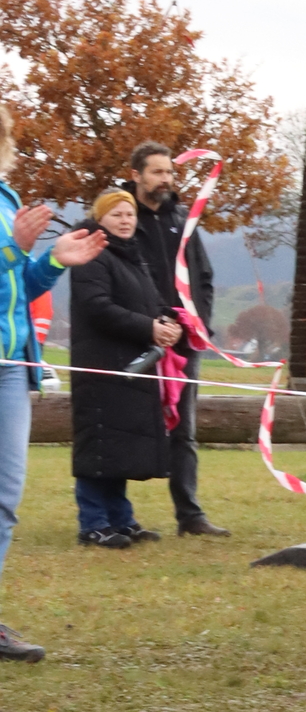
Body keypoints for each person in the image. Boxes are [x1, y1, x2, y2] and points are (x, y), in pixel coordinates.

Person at [0, 106, 105, 657]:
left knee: (4, 499)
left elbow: (19, 282)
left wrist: (54, 262)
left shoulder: (7, 200)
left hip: (12, 368)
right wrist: (15, 249)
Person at [67, 187, 182, 548]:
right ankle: (93, 524)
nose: (125, 220)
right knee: (99, 446)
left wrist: (167, 320)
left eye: (129, 214)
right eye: (116, 214)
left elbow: (150, 301)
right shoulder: (92, 254)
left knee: (119, 448)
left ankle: (121, 519)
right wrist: (148, 328)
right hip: (100, 367)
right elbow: (97, 307)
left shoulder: (132, 255)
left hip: (131, 367)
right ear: (99, 218)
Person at [127, 141, 228, 536]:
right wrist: (148, 324)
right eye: (157, 172)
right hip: (138, 337)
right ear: (136, 175)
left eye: (169, 172)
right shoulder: (122, 216)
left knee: (183, 430)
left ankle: (190, 515)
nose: (165, 179)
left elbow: (203, 277)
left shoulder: (184, 221)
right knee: (126, 424)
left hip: (184, 344)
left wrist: (197, 323)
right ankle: (117, 516)